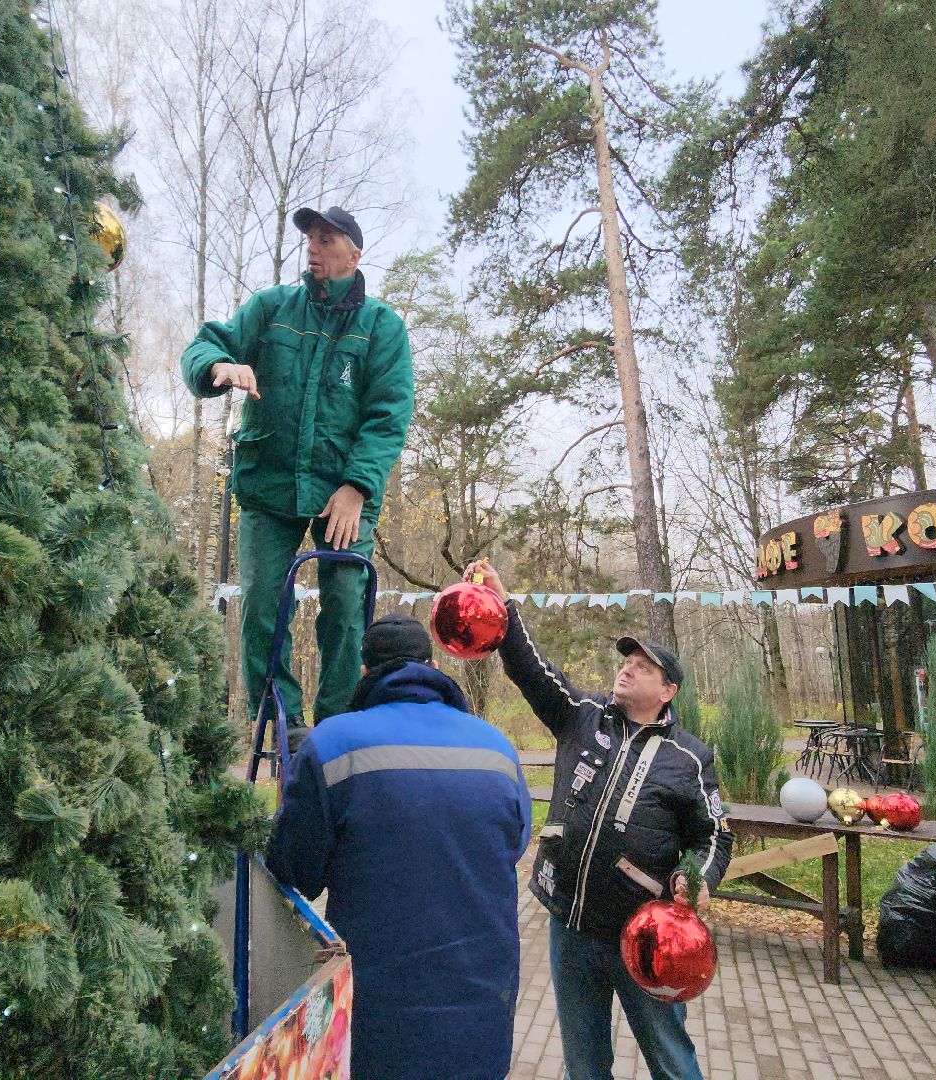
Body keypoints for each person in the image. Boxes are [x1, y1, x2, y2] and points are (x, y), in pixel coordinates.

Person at [466, 559, 732, 1080]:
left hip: (644, 935)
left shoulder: (689, 757)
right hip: (571, 924)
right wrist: (505, 604)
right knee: (584, 1064)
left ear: (668, 691)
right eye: (626, 660)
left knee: (671, 1060)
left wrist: (698, 876)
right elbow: (531, 670)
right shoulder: (581, 716)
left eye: (643, 667)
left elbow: (715, 835)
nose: (627, 668)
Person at [181, 207, 414, 746]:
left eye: (326, 239)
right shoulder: (272, 308)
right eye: (310, 237)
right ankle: (283, 724)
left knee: (345, 603)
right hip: (269, 483)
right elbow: (205, 343)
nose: (313, 247)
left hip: (343, 491)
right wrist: (218, 366)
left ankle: (337, 725)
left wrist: (357, 487)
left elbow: (388, 417)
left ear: (354, 255)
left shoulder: (382, 327)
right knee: (263, 605)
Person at [266, 615, 533, 1080]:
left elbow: (294, 869)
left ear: (365, 672)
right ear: (433, 666)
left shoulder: (332, 743)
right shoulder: (497, 747)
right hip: (482, 1004)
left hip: (380, 1015)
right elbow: (514, 843)